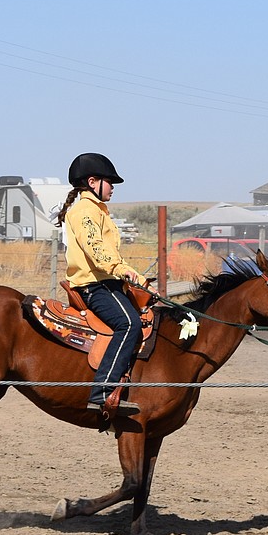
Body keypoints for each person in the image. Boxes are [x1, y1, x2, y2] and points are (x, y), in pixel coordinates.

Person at [55, 152, 157, 423]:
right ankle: (102, 391)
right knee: (129, 324)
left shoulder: (97, 211)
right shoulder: (85, 211)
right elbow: (97, 250)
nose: (112, 187)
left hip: (108, 283)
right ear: (92, 182)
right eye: (109, 182)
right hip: (94, 286)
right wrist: (127, 272)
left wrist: (135, 277)